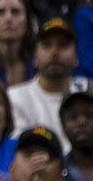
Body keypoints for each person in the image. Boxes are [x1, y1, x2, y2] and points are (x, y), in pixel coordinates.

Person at [8, 18, 79, 147]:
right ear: (35, 57)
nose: (54, 53)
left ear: (76, 57)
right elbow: (21, 151)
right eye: (47, 45)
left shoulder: (92, 99)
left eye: (63, 45)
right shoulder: (14, 98)